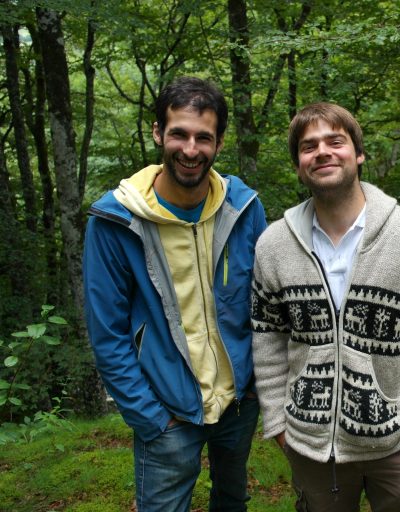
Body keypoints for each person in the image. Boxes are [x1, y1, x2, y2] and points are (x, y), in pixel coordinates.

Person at [250, 102, 400, 511]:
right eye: (309, 146)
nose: (323, 152)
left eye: (336, 141)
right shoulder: (273, 245)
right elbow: (268, 340)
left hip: (398, 446)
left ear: (358, 153)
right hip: (311, 447)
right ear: (299, 164)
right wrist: (279, 423)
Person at [83, 76, 267, 512]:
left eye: (203, 137)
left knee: (232, 501)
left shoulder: (243, 208)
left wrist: (258, 387)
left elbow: (266, 306)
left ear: (219, 143)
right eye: (179, 134)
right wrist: (150, 418)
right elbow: (107, 335)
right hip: (167, 413)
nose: (190, 149)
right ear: (157, 133)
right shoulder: (115, 220)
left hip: (238, 405)